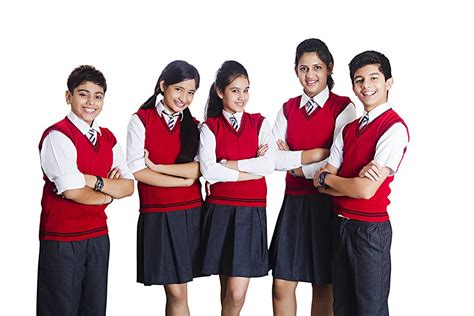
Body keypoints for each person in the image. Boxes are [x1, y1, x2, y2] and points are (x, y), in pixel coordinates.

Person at [314, 50, 410, 316]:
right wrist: (339, 179)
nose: (366, 86)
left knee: (370, 309)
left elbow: (365, 190)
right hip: (340, 225)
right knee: (341, 306)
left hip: (370, 231)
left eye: (373, 78)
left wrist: (329, 179)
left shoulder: (394, 128)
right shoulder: (348, 129)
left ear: (388, 82)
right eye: (359, 80)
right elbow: (318, 180)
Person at [37, 65, 134, 316]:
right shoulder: (57, 136)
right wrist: (108, 193)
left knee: (94, 309)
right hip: (62, 240)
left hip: (98, 237)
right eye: (83, 94)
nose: (91, 102)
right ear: (68, 97)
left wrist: (90, 181)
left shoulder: (107, 138)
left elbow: (128, 186)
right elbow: (72, 191)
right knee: (60, 310)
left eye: (98, 96)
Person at [269, 38, 357, 316]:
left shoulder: (343, 107)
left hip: (327, 204)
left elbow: (338, 160)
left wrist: (296, 166)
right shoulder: (288, 108)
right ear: (296, 71)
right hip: (293, 204)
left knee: (323, 285)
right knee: (282, 284)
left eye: (317, 67)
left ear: (329, 69)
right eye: (304, 68)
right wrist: (315, 153)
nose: (310, 75)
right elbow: (272, 159)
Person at [199, 60, 276, 316]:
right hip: (219, 211)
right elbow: (209, 171)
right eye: (235, 90)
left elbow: (268, 164)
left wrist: (230, 165)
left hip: (250, 212)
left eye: (246, 90)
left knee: (236, 293)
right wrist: (248, 172)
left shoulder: (259, 123)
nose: (242, 97)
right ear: (220, 92)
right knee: (225, 288)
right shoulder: (209, 127)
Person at [126, 60, 203, 316]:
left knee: (180, 290)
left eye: (190, 92)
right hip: (158, 213)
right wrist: (180, 181)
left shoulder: (196, 126)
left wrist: (156, 166)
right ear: (163, 85)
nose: (184, 98)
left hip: (191, 213)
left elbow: (198, 170)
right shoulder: (140, 120)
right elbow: (138, 171)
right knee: (175, 291)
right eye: (179, 89)